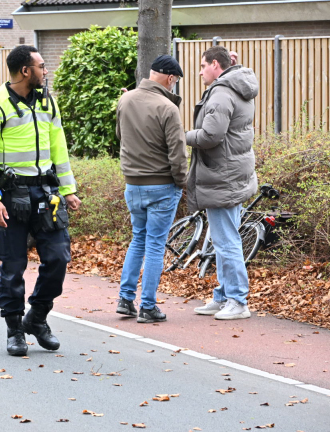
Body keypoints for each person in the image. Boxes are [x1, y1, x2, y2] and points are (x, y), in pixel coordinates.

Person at [0, 45, 81, 357]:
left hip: (46, 194)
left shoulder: (47, 102)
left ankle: (37, 317)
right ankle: (14, 329)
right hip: (9, 196)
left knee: (59, 257)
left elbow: (58, 146)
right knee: (13, 266)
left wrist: (68, 188)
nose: (46, 71)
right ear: (25, 71)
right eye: (41, 66)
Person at [187, 45, 259, 320]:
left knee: (226, 241)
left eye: (203, 66)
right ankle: (223, 296)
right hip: (232, 174)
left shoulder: (222, 92)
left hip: (221, 177)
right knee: (223, 238)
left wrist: (182, 136)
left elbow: (210, 136)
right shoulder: (239, 85)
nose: (200, 71)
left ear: (216, 65)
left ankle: (238, 301)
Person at [115, 55, 188, 323]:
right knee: (156, 245)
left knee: (138, 239)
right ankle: (147, 306)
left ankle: (125, 299)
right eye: (176, 81)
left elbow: (119, 136)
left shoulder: (126, 99)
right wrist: (182, 182)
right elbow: (177, 153)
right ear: (170, 78)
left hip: (132, 184)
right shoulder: (168, 108)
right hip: (161, 185)